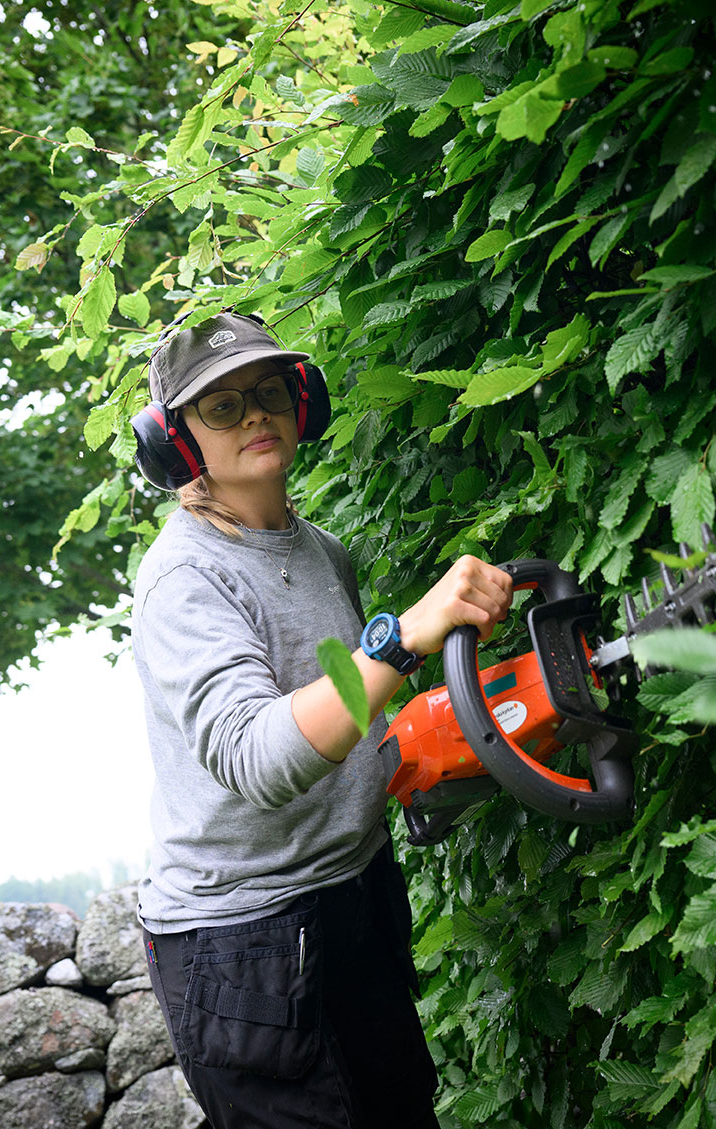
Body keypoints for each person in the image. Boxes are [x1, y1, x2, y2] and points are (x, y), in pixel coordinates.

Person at [129, 311, 513, 1128]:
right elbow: (257, 756)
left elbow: (346, 710)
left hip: (354, 894)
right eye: (222, 406)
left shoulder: (320, 550)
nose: (255, 414)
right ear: (176, 441)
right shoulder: (184, 578)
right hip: (244, 941)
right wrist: (406, 635)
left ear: (303, 401)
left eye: (269, 391)